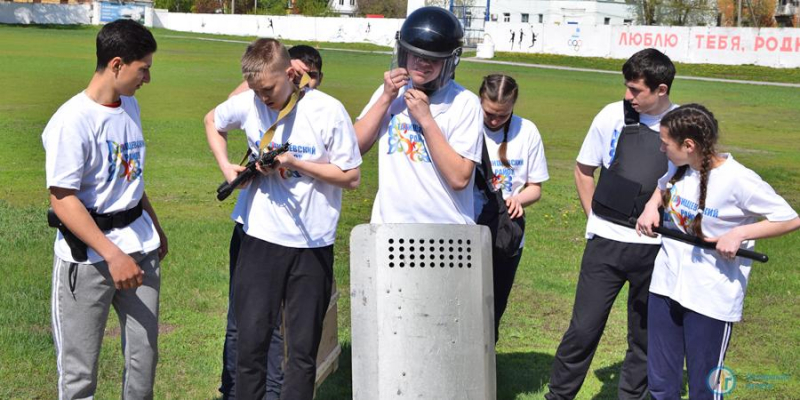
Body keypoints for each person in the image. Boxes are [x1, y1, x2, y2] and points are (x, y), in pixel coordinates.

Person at [204, 38, 361, 400]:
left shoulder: (327, 110)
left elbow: (351, 177)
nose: (263, 99)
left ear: (290, 73)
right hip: (261, 241)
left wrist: (294, 163)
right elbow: (213, 121)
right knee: (251, 346)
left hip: (312, 245)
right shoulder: (249, 102)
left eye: (269, 90)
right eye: (257, 91)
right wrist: (227, 167)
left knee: (303, 354)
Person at [635, 104, 800, 400]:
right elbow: (662, 189)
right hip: (666, 286)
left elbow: (790, 218)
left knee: (704, 388)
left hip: (711, 296)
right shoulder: (680, 166)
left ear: (689, 145)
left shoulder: (739, 179)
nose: (661, 150)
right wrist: (650, 208)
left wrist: (740, 233)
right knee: (660, 383)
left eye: (665, 144)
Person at [42, 19, 167, 399]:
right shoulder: (71, 121)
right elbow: (62, 199)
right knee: (79, 375)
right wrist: (112, 255)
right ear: (116, 64)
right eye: (142, 68)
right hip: (89, 261)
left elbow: (131, 178)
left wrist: (155, 226)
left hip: (140, 251)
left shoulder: (129, 106)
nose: (147, 78)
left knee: (143, 362)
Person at [546, 48, 678, 400]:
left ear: (661, 89)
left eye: (636, 90)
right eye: (626, 87)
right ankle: (558, 396)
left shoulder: (682, 123)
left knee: (645, 336)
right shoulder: (611, 115)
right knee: (584, 329)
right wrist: (594, 219)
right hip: (605, 244)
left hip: (656, 250)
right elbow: (583, 170)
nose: (627, 96)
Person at [218, 44, 324, 400]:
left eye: (312, 78)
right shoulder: (259, 96)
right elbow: (223, 112)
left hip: (299, 237)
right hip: (252, 227)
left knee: (285, 333)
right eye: (300, 73)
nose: (306, 83)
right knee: (246, 327)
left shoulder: (315, 112)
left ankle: (275, 393)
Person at [355, 6, 484, 225]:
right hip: (391, 229)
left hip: (445, 231)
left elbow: (459, 178)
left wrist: (426, 120)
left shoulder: (464, 102)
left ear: (449, 61)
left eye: (432, 59)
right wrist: (386, 98)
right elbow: (352, 147)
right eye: (415, 55)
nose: (422, 63)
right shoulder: (390, 92)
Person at [475, 74, 549, 342]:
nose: (494, 121)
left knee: (494, 304)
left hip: (506, 234)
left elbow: (535, 187)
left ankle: (486, 365)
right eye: (489, 114)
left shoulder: (527, 131)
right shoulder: (466, 125)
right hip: (466, 227)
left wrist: (518, 199)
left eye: (502, 116)